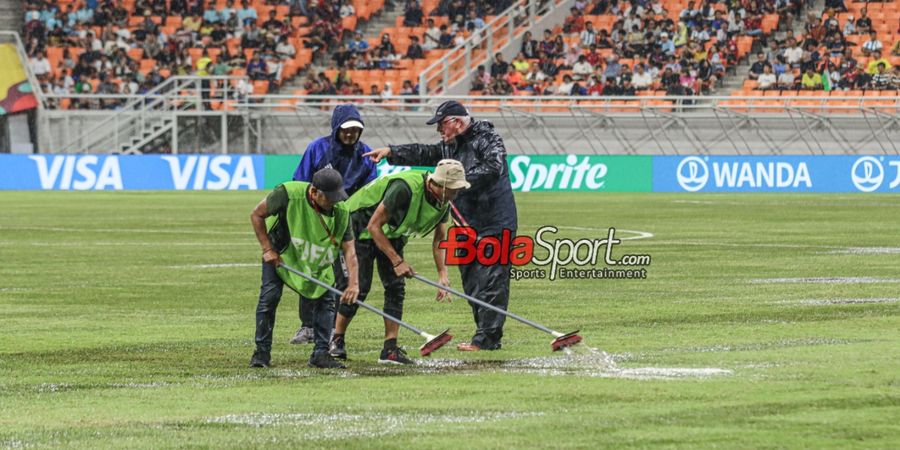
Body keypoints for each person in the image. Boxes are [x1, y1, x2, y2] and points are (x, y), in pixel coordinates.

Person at [364, 101, 518, 351]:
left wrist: (457, 179)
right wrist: (392, 152)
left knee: (492, 280)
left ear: (457, 122)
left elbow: (494, 167)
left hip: (495, 222)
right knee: (471, 282)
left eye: (441, 124)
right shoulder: (450, 145)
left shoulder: (488, 139)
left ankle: (487, 339)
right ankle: (486, 333)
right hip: (467, 223)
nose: (439, 131)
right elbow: (425, 153)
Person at [330, 160, 470, 364]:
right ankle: (336, 339)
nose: (455, 194)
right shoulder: (404, 189)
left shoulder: (443, 204)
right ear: (437, 185)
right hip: (358, 227)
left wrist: (443, 275)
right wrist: (397, 261)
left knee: (396, 287)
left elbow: (440, 240)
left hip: (391, 232)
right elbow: (374, 226)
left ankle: (390, 349)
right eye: (452, 189)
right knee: (359, 286)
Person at [249, 168, 360, 369]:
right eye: (329, 197)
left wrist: (353, 283)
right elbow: (257, 215)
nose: (334, 202)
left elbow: (349, 249)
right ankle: (261, 354)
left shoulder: (342, 211)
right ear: (314, 192)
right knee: (269, 299)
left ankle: (320, 353)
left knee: (326, 304)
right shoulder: (288, 194)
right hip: (282, 256)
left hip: (317, 261)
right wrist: (267, 249)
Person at [288, 104, 378, 345]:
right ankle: (307, 326)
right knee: (312, 272)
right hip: (314, 219)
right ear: (336, 128)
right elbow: (300, 182)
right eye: (346, 129)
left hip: (348, 222)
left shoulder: (366, 155)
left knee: (342, 275)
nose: (350, 134)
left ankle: (330, 328)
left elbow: (372, 190)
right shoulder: (317, 148)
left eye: (355, 130)